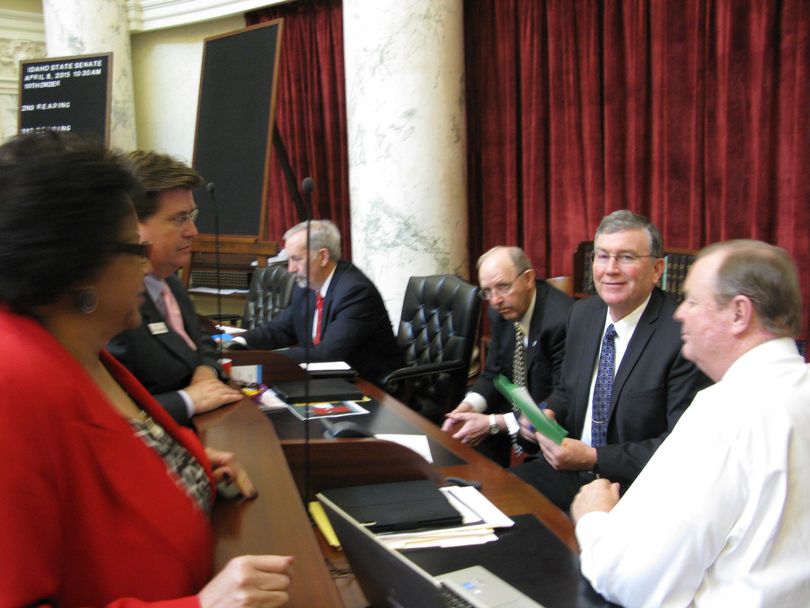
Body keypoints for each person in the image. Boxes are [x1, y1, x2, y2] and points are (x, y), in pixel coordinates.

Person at [0, 132, 292, 606]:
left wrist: (185, 469)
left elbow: (103, 479)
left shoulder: (85, 354)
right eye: (133, 250)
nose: (146, 263)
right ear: (77, 269)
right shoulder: (11, 381)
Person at [572, 240, 810, 606]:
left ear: (738, 314)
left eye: (693, 301)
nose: (679, 313)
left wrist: (593, 518)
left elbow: (632, 580)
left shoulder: (723, 413)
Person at [512, 210, 709, 510]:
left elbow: (680, 447)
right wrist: (545, 413)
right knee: (497, 502)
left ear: (657, 269)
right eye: (602, 256)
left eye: (626, 257)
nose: (610, 269)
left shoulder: (683, 336)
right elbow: (567, 391)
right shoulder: (582, 315)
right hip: (572, 472)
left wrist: (594, 457)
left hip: (639, 489)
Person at [109, 151, 242, 427]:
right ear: (133, 224)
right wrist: (188, 399)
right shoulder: (111, 303)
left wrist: (206, 371)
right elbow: (108, 411)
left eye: (191, 215)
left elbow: (200, 339)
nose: (192, 231)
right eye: (178, 218)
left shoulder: (169, 280)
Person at [441, 246, 573, 466]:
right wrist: (466, 409)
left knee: (487, 427)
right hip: (521, 404)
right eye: (487, 291)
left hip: (554, 422)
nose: (495, 300)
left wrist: (493, 423)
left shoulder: (561, 320)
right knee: (470, 435)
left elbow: (562, 399)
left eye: (503, 287)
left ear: (528, 278)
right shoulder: (501, 310)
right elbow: (495, 371)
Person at [233, 220, 403, 385]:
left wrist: (262, 360)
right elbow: (280, 329)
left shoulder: (355, 292)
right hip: (328, 380)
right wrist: (236, 343)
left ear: (323, 257)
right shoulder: (306, 285)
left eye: (296, 259)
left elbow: (328, 354)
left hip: (372, 388)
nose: (291, 268)